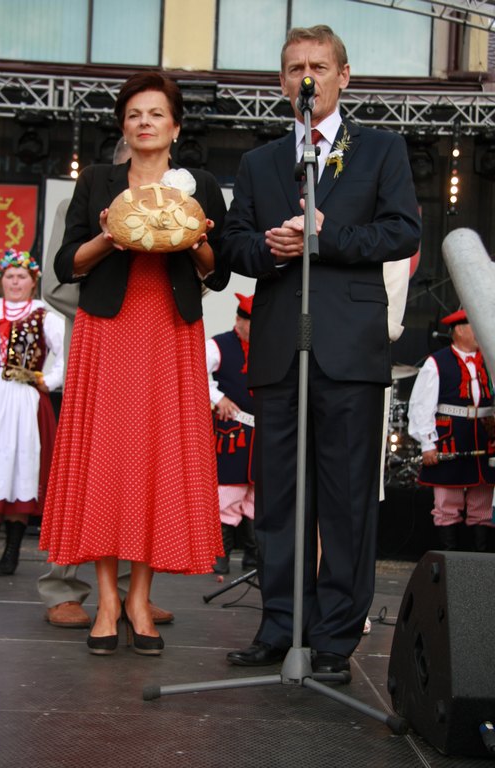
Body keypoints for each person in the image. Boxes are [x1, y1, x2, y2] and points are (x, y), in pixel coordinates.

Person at [222, 25, 421, 675]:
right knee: (279, 500)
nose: (305, 76)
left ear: (343, 76)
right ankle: (282, 625)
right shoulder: (261, 162)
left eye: (318, 65)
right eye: (293, 67)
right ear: (282, 82)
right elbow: (234, 245)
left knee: (345, 502)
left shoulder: (381, 150)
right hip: (280, 349)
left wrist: (327, 236)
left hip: (350, 350)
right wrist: (273, 249)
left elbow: (401, 232)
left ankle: (335, 640)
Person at [39, 72, 229, 656]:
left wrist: (195, 239)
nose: (144, 123)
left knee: (156, 458)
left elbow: (218, 271)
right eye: (134, 115)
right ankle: (107, 600)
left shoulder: (199, 185)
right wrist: (109, 239)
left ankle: (140, 599)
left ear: (176, 126)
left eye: (156, 113)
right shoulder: (97, 180)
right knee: (106, 457)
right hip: (109, 330)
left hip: (171, 330)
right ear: (124, 126)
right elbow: (66, 264)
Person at [39, 138, 174, 629]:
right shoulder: (80, 201)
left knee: (139, 462)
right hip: (98, 343)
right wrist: (116, 307)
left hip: (149, 350)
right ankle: (62, 587)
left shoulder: (170, 204)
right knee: (88, 461)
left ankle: (126, 593)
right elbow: (55, 284)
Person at [0, 250, 64, 575]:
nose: (15, 282)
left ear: (33, 282)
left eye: (22, 277)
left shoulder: (44, 316)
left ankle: (12, 551)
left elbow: (66, 355)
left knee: (20, 466)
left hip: (23, 401)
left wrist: (47, 381)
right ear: (1, 281)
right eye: (10, 276)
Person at [408, 309, 495, 551]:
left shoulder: (489, 359)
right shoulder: (437, 362)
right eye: (475, 327)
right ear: (459, 330)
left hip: (483, 439)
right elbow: (421, 406)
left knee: (482, 504)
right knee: (447, 503)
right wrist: (428, 444)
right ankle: (450, 560)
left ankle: (480, 561)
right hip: (450, 439)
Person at [206, 292, 256, 575]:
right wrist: (218, 398)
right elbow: (194, 372)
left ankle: (254, 558)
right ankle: (220, 554)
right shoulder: (218, 345)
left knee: (258, 497)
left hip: (263, 433)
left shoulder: (271, 347)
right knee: (227, 493)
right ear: (239, 319)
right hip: (233, 432)